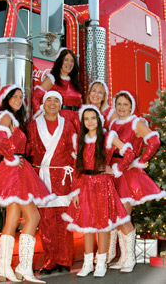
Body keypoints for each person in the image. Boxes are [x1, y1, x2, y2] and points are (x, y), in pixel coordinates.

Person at [0, 84, 56, 283]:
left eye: (21, 96)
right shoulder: (6, 116)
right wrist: (12, 157)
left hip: (17, 170)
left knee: (12, 221)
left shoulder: (14, 119)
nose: (18, 99)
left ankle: (5, 268)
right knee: (34, 216)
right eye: (14, 96)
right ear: (6, 98)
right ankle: (23, 267)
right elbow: (0, 138)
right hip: (15, 171)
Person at [61, 104, 135, 278]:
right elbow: (77, 167)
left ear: (98, 119)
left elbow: (129, 153)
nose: (90, 121)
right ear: (83, 121)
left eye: (93, 118)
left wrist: (114, 169)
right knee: (86, 226)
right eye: (86, 119)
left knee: (102, 225)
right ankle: (87, 263)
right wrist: (75, 192)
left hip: (102, 185)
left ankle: (101, 262)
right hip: (85, 185)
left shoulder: (109, 137)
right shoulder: (81, 140)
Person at [107, 90, 166, 272]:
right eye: (119, 104)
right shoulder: (113, 123)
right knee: (116, 218)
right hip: (112, 171)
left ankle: (130, 258)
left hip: (127, 173)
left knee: (123, 216)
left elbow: (154, 141)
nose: (122, 107)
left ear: (131, 106)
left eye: (125, 104)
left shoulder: (136, 122)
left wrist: (139, 161)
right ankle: (123, 257)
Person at [27, 91, 77, 275]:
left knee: (64, 222)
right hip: (43, 179)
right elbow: (27, 150)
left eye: (56, 100)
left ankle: (64, 261)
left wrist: (76, 186)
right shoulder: (33, 126)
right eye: (49, 99)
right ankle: (49, 261)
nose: (53, 103)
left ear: (61, 104)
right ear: (43, 103)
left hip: (64, 180)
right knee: (46, 222)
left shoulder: (68, 125)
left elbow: (74, 154)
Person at [32, 48, 82, 131]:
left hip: (76, 123)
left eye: (72, 61)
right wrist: (41, 117)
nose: (69, 63)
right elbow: (35, 98)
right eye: (66, 60)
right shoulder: (52, 79)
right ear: (60, 61)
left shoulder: (75, 81)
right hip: (59, 121)